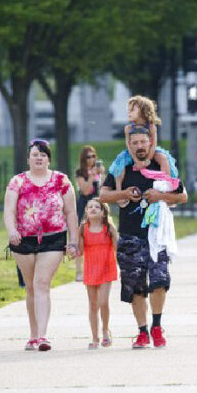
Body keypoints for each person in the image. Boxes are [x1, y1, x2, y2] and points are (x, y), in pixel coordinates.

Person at [99, 125, 188, 349]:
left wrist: (160, 196)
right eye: (135, 142)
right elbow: (103, 195)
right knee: (135, 286)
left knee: (159, 282)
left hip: (157, 235)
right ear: (129, 144)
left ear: (150, 143)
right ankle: (142, 331)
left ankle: (157, 326)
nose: (139, 146)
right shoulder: (122, 167)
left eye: (143, 142)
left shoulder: (162, 165)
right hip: (130, 236)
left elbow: (183, 196)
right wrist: (124, 193)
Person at [3, 139, 79, 352]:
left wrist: (73, 241)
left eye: (43, 154)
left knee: (42, 283)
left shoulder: (61, 181)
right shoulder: (17, 181)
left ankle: (43, 336)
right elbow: (9, 210)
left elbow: (71, 212)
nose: (39, 158)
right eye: (35, 154)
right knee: (31, 287)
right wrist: (12, 231)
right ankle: (33, 334)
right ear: (28, 159)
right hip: (23, 240)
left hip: (53, 239)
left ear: (49, 159)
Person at [108, 95, 177, 208]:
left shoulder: (151, 127)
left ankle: (167, 191)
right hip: (132, 152)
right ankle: (120, 194)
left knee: (163, 158)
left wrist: (147, 160)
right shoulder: (128, 128)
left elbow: (153, 143)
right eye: (128, 110)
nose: (128, 112)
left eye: (132, 110)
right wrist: (137, 160)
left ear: (142, 110)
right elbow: (129, 145)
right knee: (119, 163)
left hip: (150, 150)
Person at [77, 198, 118, 349]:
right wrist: (72, 248)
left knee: (103, 302)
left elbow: (117, 248)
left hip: (107, 267)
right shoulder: (83, 228)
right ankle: (95, 337)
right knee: (93, 305)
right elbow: (80, 251)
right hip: (90, 269)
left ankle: (105, 330)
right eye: (89, 207)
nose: (93, 209)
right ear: (86, 212)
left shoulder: (108, 228)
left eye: (97, 207)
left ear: (103, 212)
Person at [75, 145, 105, 281]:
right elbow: (86, 190)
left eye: (94, 156)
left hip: (98, 204)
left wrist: (102, 175)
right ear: (83, 158)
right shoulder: (80, 172)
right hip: (84, 205)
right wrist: (92, 177)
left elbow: (103, 189)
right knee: (81, 236)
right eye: (88, 157)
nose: (92, 159)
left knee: (100, 233)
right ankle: (79, 271)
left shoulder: (98, 171)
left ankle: (99, 268)